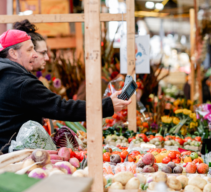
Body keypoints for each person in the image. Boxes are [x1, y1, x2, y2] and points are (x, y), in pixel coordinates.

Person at [0, 29, 130, 150]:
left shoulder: (5, 75)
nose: (35, 55)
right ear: (13, 53)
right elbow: (62, 108)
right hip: (11, 155)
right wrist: (108, 105)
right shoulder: (21, 83)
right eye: (29, 50)